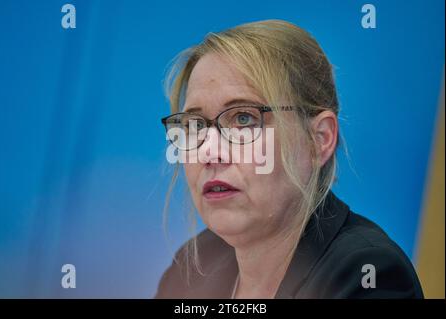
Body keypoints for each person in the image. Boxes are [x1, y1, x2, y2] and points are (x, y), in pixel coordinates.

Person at [155, 20, 424, 299]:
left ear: (319, 139)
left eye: (244, 119)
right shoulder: (194, 267)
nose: (209, 153)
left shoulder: (368, 276)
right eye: (194, 125)